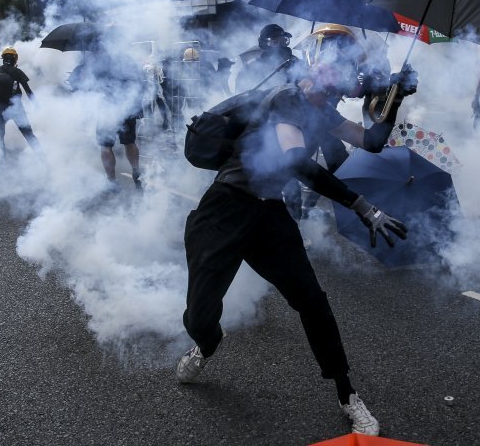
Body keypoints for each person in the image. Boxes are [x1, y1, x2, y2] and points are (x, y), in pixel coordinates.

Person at [176, 27, 418, 437]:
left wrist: (396, 99)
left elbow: (372, 140)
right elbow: (298, 165)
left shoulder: (324, 113)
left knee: (313, 303)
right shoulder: (287, 99)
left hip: (268, 215)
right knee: (200, 313)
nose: (346, 83)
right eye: (341, 71)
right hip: (224, 210)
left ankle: (347, 395)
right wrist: (362, 206)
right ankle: (206, 342)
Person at [87, 53, 146, 190]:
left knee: (105, 146)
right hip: (128, 105)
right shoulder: (126, 55)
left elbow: (90, 85)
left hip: (106, 109)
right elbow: (139, 83)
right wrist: (138, 108)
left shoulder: (98, 61)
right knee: (130, 142)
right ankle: (136, 171)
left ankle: (112, 181)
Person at [0, 47, 43, 155]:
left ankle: (0, 162)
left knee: (0, 135)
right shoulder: (17, 72)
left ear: (2, 58)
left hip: (0, 107)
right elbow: (28, 91)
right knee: (28, 133)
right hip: (16, 107)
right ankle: (42, 156)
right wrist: (35, 104)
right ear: (15, 59)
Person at [234, 24, 299, 92]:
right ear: (265, 45)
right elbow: (241, 94)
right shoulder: (252, 67)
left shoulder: (294, 61)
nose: (280, 45)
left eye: (283, 41)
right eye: (275, 42)